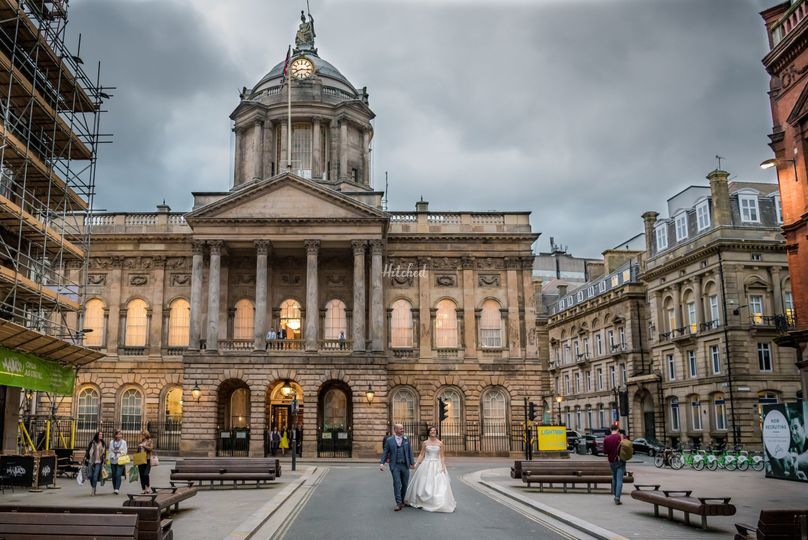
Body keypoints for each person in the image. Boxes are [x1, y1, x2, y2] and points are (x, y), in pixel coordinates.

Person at [404, 426, 456, 513]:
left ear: (436, 432)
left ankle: (437, 501)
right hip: (426, 464)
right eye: (431, 430)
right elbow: (421, 455)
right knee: (424, 482)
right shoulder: (425, 443)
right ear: (428, 432)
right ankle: (421, 500)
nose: (433, 432)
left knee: (439, 484)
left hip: (436, 464)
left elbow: (442, 456)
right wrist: (416, 464)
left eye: (434, 431)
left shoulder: (440, 443)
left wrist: (443, 465)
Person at [379, 423, 415, 511]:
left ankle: (402, 501)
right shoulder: (390, 440)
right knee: (397, 483)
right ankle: (398, 502)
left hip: (405, 465)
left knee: (405, 484)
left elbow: (410, 451)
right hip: (395, 465)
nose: (402, 430)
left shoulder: (406, 439)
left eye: (403, 428)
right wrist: (382, 463)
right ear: (395, 430)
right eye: (400, 429)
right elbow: (385, 452)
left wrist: (412, 463)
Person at [603, 424, 625, 505]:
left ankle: (615, 494)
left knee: (614, 478)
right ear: (618, 429)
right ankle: (617, 497)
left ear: (610, 430)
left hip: (612, 461)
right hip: (621, 460)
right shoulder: (622, 437)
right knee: (619, 479)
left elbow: (605, 452)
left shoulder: (606, 438)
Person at [84, 430, 106, 496]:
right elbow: (88, 451)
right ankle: (93, 486)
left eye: (102, 435)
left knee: (95, 476)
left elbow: (104, 453)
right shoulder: (92, 442)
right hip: (91, 461)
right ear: (97, 435)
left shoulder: (103, 443)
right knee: (90, 475)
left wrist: (104, 458)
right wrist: (87, 458)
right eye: (99, 435)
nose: (101, 436)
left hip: (98, 462)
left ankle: (93, 489)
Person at [109, 430, 128, 495]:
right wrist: (112, 455)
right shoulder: (111, 442)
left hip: (120, 460)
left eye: (121, 434)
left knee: (118, 474)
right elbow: (110, 450)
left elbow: (125, 451)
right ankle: (115, 488)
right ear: (115, 435)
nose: (120, 435)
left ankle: (117, 489)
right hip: (113, 460)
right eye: (119, 434)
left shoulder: (124, 442)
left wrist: (119, 452)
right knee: (114, 475)